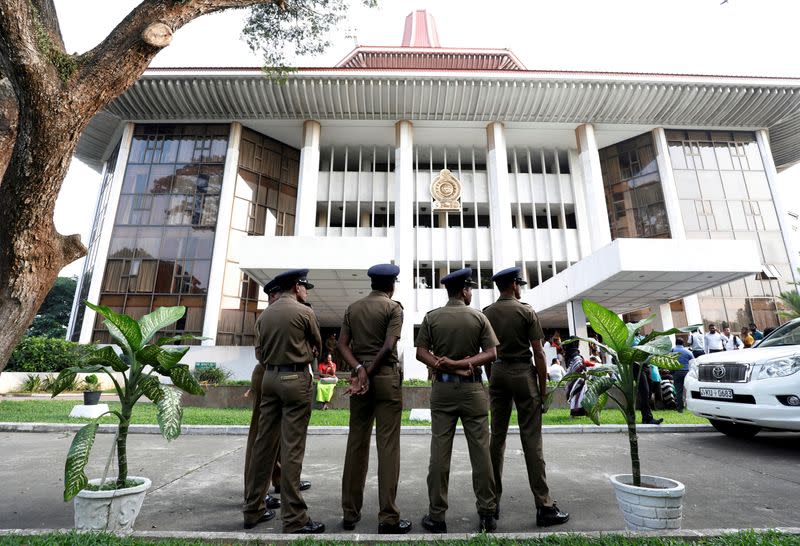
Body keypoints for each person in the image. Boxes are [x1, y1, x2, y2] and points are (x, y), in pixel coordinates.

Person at [482, 267, 569, 528]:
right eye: (518, 284)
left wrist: (493, 374)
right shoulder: (526, 311)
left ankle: (492, 503)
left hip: (497, 372)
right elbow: (539, 354)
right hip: (523, 373)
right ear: (514, 286)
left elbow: (487, 352)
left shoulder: (487, 313)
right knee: (531, 441)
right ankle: (543, 506)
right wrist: (542, 390)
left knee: (496, 439)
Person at [415, 267, 499, 533]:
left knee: (439, 453)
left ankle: (436, 516)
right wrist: (462, 364)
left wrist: (448, 365)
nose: (471, 292)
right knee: (481, 453)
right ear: (464, 290)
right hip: (473, 391)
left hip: (443, 391)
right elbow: (491, 353)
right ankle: (487, 513)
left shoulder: (432, 318)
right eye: (470, 288)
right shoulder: (478, 318)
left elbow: (421, 353)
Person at [243, 269, 324, 533]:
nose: (306, 291)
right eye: (304, 286)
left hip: (269, 379)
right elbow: (317, 346)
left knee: (263, 445)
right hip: (295, 380)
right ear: (296, 287)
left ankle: (253, 508)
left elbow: (260, 353)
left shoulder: (265, 315)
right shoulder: (305, 312)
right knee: (292, 449)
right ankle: (294, 518)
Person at [338, 264, 411, 534]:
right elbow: (389, 346)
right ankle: (388, 517)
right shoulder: (393, 308)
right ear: (391, 285)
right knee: (388, 447)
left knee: (356, 444)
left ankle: (349, 513)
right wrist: (368, 372)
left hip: (361, 381)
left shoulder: (353, 308)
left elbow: (342, 345)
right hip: (384, 379)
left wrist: (359, 371)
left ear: (372, 284)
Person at [243, 280, 281, 522]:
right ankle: (253, 491)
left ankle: (276, 479)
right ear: (275, 295)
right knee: (260, 434)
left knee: (275, 434)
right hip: (267, 372)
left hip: (271, 374)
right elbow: (262, 353)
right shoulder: (267, 317)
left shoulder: (272, 315)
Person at [670, 338, 694, 412]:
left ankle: (680, 408)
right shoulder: (688, 351)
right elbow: (693, 362)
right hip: (686, 372)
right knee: (687, 389)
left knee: (678, 390)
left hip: (676, 372)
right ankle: (689, 406)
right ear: (683, 343)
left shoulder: (672, 351)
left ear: (675, 343)